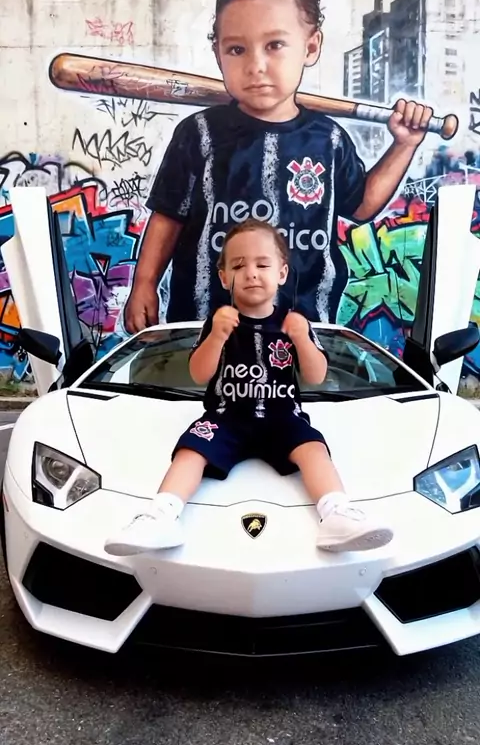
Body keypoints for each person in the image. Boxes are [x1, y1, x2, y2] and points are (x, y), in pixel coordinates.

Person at [123, 0, 433, 331]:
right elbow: (168, 216)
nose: (256, 65)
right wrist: (144, 283)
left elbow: (362, 206)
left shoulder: (329, 139)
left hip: (303, 332)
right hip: (207, 330)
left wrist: (404, 145)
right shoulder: (199, 134)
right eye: (237, 49)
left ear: (310, 47)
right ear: (217, 54)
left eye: (274, 45)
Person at [105, 219, 394, 556]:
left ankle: (337, 514)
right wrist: (216, 336)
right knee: (190, 450)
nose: (251, 273)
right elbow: (199, 374)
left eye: (262, 264)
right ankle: (160, 515)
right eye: (239, 265)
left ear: (282, 273)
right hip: (226, 418)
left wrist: (302, 338)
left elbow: (316, 376)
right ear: (224, 277)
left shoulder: (294, 322)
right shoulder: (218, 321)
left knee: (314, 448)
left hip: (283, 417)